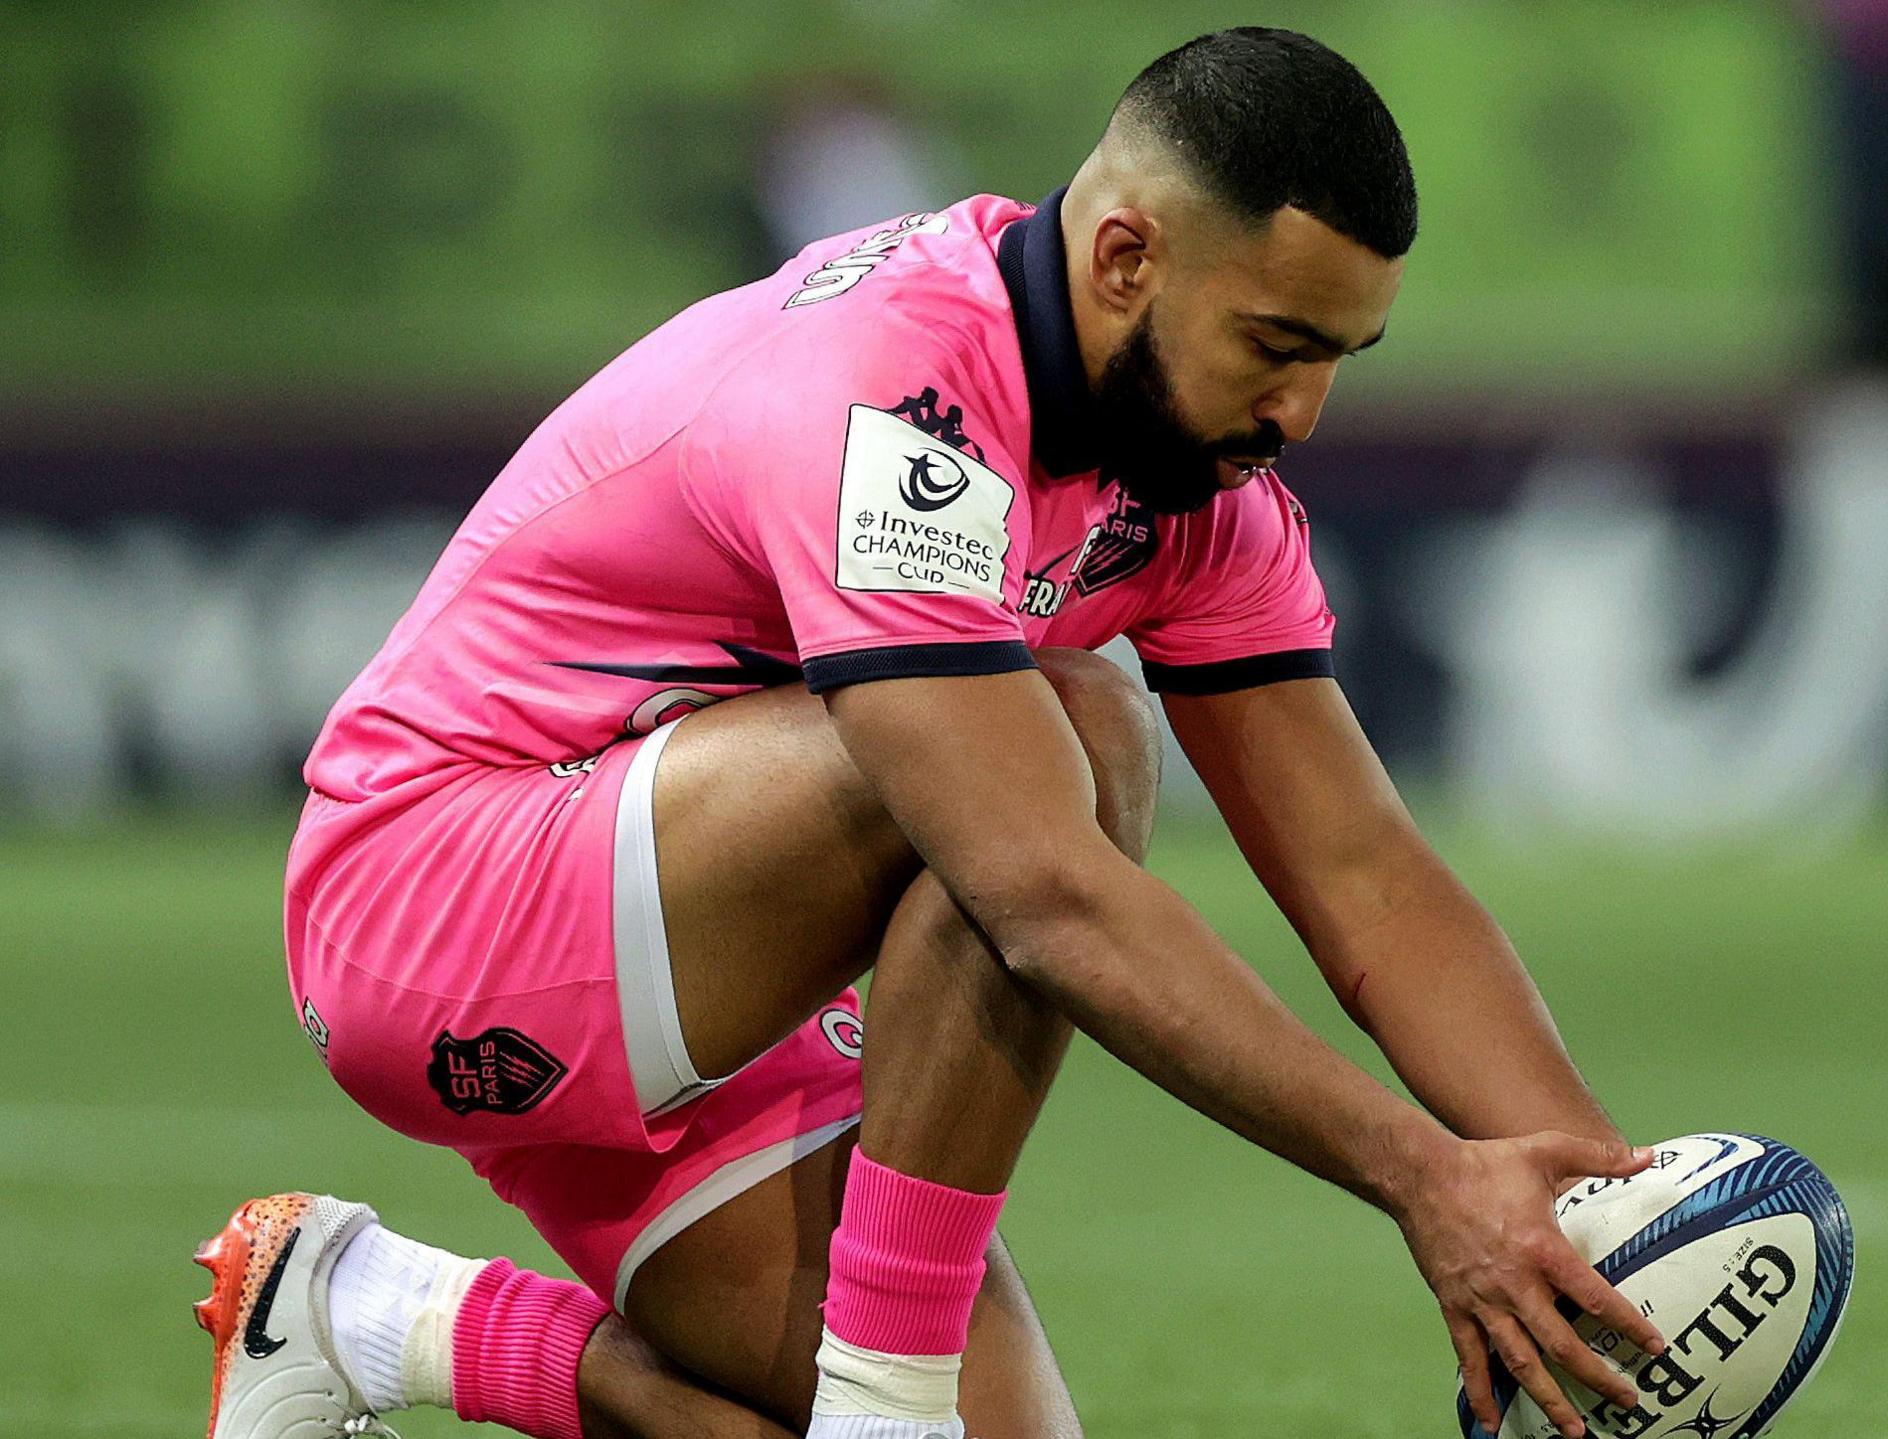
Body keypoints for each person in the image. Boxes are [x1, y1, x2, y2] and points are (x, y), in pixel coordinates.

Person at [198, 28, 1663, 1439]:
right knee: (1069, 732)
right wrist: (1422, 1175)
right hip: (434, 902)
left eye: (1340, 355)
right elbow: (1036, 892)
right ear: (1126, 258)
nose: (1305, 410)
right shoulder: (897, 393)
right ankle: (883, 1407)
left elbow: (1367, 881)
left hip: (714, 965)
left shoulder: (1204, 491)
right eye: (1275, 344)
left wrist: (1615, 1214)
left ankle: (370, 1312)